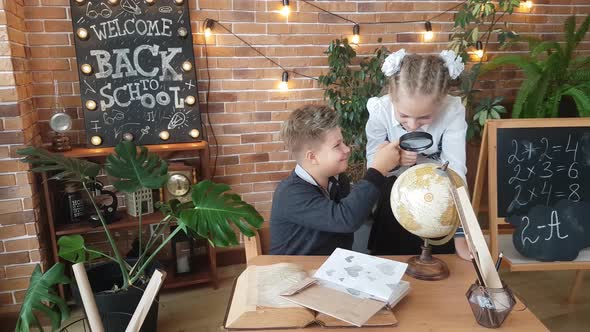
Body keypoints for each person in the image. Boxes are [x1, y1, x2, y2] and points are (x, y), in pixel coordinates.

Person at [365, 49, 470, 260]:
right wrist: (393, 162)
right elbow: (372, 166)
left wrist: (462, 231)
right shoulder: (380, 111)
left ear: (440, 102)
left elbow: (457, 172)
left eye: (424, 118)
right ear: (392, 100)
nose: (412, 126)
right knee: (392, 256)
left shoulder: (452, 112)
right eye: (403, 116)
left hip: (440, 196)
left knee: (441, 259)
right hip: (395, 194)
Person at [270, 105, 400, 255]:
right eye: (337, 145)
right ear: (312, 157)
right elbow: (346, 219)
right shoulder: (290, 194)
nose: (347, 149)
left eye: (342, 142)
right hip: (295, 272)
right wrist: (378, 169)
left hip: (331, 268)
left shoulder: (338, 180)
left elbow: (356, 211)